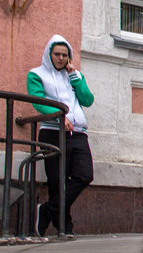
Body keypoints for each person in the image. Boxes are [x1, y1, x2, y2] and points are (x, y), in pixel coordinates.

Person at [26, 35, 94, 237]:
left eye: (65, 55)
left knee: (84, 175)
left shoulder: (74, 75)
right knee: (57, 180)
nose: (61, 58)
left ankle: (46, 211)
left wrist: (75, 77)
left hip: (77, 133)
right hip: (51, 132)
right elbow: (37, 100)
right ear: (49, 54)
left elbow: (87, 100)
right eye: (57, 54)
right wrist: (58, 117)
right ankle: (64, 226)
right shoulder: (36, 74)